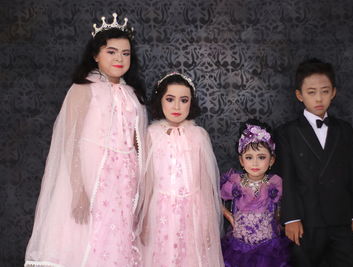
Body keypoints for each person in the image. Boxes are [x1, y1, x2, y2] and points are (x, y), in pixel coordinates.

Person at [24, 13, 147, 267]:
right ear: (96, 55)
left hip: (125, 181)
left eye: (125, 53)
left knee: (119, 239)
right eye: (111, 51)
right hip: (94, 177)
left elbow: (136, 142)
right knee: (90, 237)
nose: (119, 59)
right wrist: (79, 189)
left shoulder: (132, 94)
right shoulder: (83, 89)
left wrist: (140, 183)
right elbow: (71, 141)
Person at [275, 58, 353, 267]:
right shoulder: (287, 132)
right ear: (299, 95)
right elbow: (286, 178)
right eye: (311, 92)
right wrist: (291, 218)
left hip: (341, 218)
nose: (319, 98)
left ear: (333, 92)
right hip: (306, 221)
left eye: (324, 91)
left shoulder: (344, 130)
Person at [139, 72, 224, 267]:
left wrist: (207, 225)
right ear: (160, 100)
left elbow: (204, 183)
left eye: (183, 100)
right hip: (160, 212)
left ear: (191, 103)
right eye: (170, 99)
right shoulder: (151, 135)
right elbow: (147, 181)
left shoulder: (199, 135)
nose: (177, 106)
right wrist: (144, 220)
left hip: (192, 213)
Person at [220, 121, 291, 267]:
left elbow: (288, 203)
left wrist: (278, 219)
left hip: (268, 247)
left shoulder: (275, 183)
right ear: (241, 160)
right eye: (249, 157)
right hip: (239, 247)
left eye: (261, 157)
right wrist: (227, 214)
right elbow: (213, 197)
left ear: (271, 160)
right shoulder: (235, 182)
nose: (255, 163)